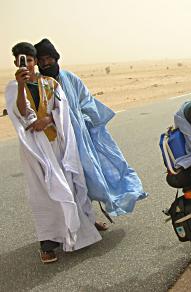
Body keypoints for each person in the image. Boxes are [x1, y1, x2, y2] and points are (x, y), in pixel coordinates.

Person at [5, 42, 102, 263]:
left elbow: (62, 110)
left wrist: (48, 119)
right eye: (22, 60)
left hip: (56, 144)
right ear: (15, 63)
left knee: (68, 185)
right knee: (42, 194)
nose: (27, 64)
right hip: (34, 149)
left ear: (35, 61)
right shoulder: (12, 88)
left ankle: (76, 229)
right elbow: (19, 112)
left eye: (29, 60)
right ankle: (47, 243)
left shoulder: (50, 84)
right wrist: (21, 86)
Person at [34, 39, 147, 219]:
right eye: (41, 60)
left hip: (80, 138)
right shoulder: (37, 85)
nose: (46, 63)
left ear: (56, 58)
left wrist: (82, 121)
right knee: (66, 184)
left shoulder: (70, 78)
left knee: (89, 178)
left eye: (49, 58)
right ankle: (78, 225)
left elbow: (87, 101)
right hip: (55, 143)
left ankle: (90, 221)